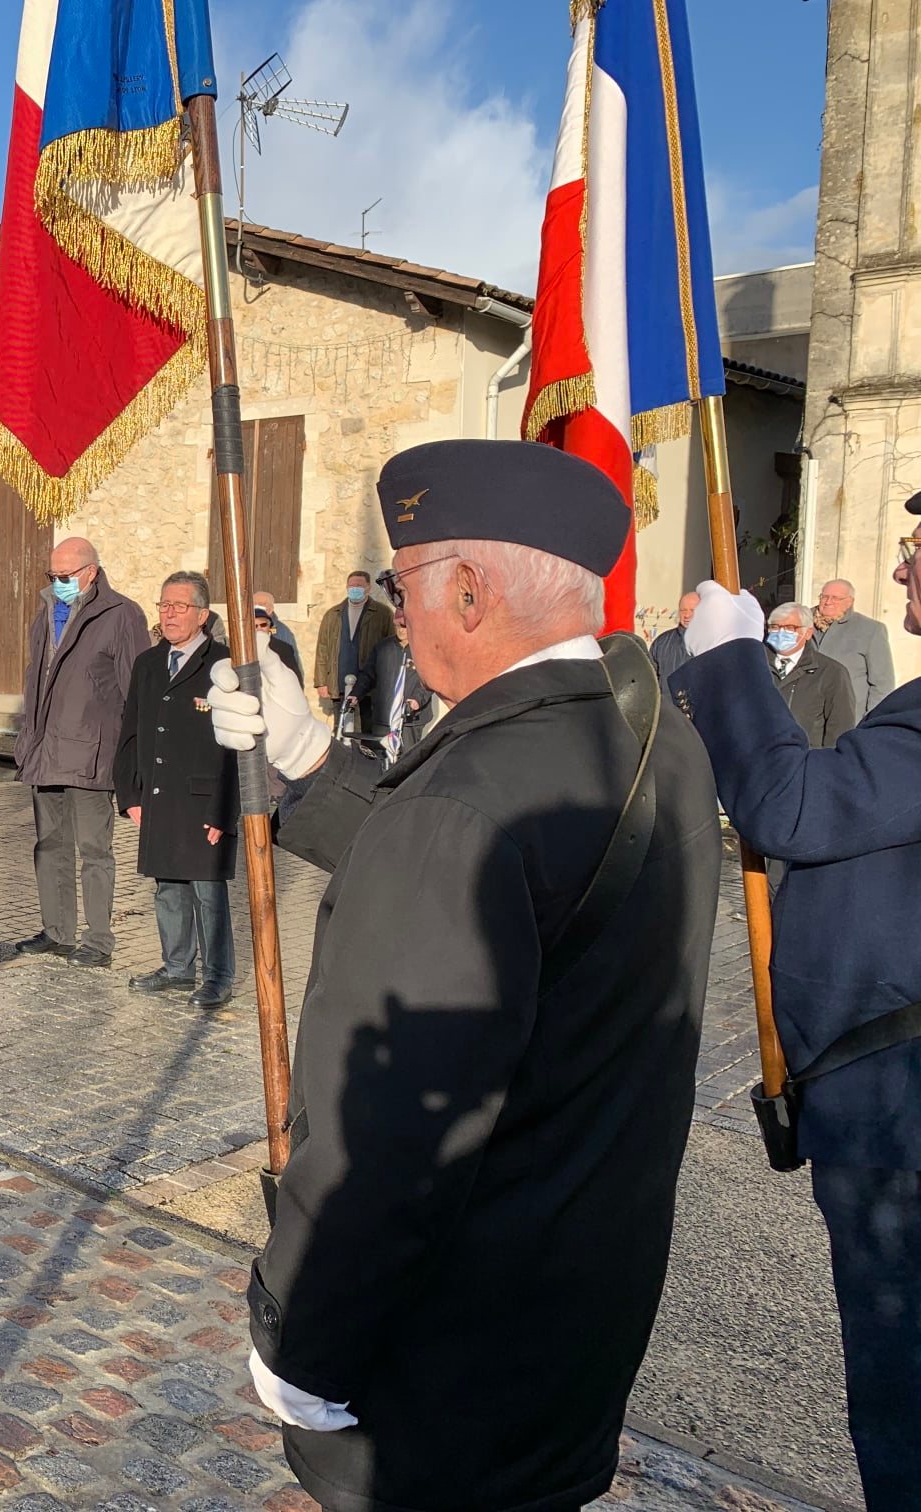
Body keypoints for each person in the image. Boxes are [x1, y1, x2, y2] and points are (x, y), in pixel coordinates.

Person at [207, 439, 722, 1512]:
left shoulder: (468, 794)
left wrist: (299, 1342)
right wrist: (312, 765)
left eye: (406, 585)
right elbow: (510, 888)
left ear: (474, 591)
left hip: (446, 1363)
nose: (397, 613)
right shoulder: (654, 739)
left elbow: (391, 1133)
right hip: (572, 1327)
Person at [669, 505, 921, 1511]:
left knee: (904, 1411)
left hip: (901, 1124)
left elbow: (795, 808)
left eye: (919, 554)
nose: (904, 570)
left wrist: (731, 661)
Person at [12, 536, 150, 967]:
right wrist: (26, 739)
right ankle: (57, 931)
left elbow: (137, 690)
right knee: (49, 846)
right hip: (43, 750)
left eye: (65, 575)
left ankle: (99, 939)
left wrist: (133, 758)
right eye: (51, 575)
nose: (57, 582)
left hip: (91, 753)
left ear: (91, 572)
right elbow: (36, 681)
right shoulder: (45, 614)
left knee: (94, 849)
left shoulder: (121, 615)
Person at [114, 571, 237, 1009]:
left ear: (202, 615)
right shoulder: (148, 663)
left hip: (206, 802)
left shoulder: (225, 664)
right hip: (159, 799)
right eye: (164, 605)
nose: (168, 613)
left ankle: (218, 977)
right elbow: (130, 732)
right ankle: (177, 967)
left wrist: (226, 811)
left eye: (179, 606)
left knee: (208, 893)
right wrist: (128, 795)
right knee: (168, 888)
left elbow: (239, 747)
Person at [766, 600, 855, 748]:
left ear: (807, 633)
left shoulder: (831, 672)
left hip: (804, 760)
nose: (781, 633)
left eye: (790, 628)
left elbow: (840, 727)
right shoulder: (755, 665)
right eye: (775, 627)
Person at [312, 568, 394, 724]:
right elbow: (322, 649)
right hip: (338, 679)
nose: (354, 588)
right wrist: (321, 682)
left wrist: (387, 679)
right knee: (340, 723)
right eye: (351, 585)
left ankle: (366, 749)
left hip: (370, 683)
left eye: (359, 585)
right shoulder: (333, 614)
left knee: (368, 724)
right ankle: (342, 748)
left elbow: (391, 647)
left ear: (368, 588)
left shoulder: (382, 614)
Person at [812, 577, 895, 717]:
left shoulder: (871, 630)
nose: (828, 602)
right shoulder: (803, 622)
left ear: (849, 602)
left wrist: (871, 720)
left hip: (848, 716)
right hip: (807, 715)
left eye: (836, 598)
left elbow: (882, 684)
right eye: (824, 596)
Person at [360, 613, 430, 757]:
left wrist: (417, 700)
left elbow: (430, 680)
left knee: (407, 760)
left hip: (409, 719)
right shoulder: (382, 648)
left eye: (404, 627)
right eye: (398, 626)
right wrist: (355, 694)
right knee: (380, 759)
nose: (401, 630)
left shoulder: (425, 649)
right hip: (384, 718)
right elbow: (367, 675)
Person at [650, 590, 700, 686]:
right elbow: (650, 679)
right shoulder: (661, 643)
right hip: (667, 700)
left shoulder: (712, 642)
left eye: (692, 610)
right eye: (683, 610)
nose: (687, 615)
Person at [254, 602, 303, 683]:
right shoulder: (242, 651)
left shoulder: (284, 649)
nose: (259, 628)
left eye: (263, 625)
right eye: (255, 626)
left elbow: (295, 677)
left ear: (269, 626)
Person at [254, 590, 300, 663]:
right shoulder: (244, 630)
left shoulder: (283, 631)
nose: (258, 607)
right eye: (255, 604)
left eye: (262, 604)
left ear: (271, 608)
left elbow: (293, 660)